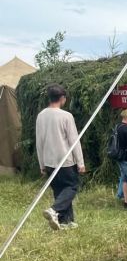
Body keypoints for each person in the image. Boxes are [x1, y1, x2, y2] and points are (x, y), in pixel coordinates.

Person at [36, 84, 86, 230]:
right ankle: (54, 210)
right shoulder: (66, 116)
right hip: (65, 160)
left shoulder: (41, 115)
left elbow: (39, 141)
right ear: (63, 98)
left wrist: (41, 164)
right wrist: (80, 162)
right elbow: (74, 141)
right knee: (71, 187)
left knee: (60, 190)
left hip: (49, 160)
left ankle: (66, 221)